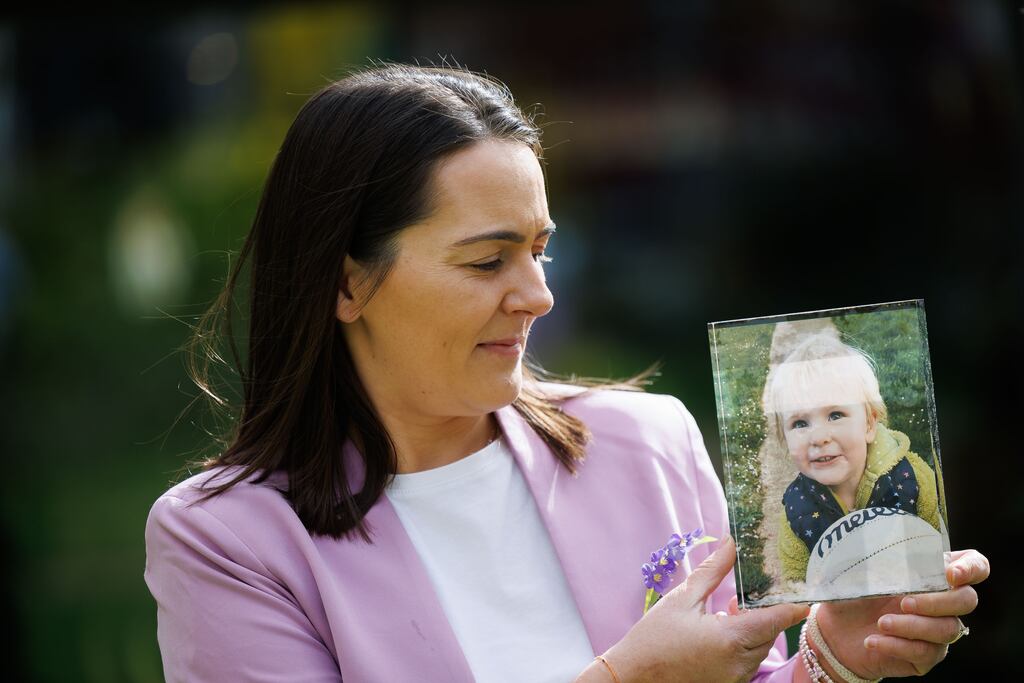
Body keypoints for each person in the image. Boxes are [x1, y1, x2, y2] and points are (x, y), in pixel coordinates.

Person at [144, 63, 988, 682]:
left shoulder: (647, 441)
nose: (539, 296)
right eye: (487, 262)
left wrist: (836, 654)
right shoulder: (228, 540)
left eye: (541, 249)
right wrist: (628, 679)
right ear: (346, 281)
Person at [763, 333, 943, 583]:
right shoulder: (796, 511)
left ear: (869, 424)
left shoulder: (912, 479)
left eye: (835, 415)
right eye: (800, 423)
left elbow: (944, 555)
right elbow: (799, 593)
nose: (819, 437)